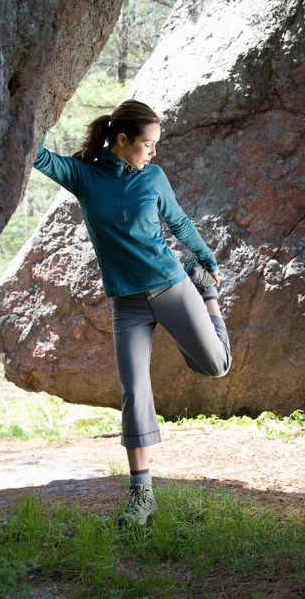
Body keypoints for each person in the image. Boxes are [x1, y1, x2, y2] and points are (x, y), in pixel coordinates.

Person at [33, 99, 232, 526]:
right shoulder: (84, 177)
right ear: (121, 141)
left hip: (172, 285)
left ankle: (209, 298)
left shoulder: (154, 177)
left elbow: (178, 223)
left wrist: (207, 262)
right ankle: (142, 498)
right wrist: (39, 107)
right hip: (127, 303)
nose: (154, 152)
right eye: (147, 145)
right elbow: (36, 155)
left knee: (216, 366)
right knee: (134, 392)